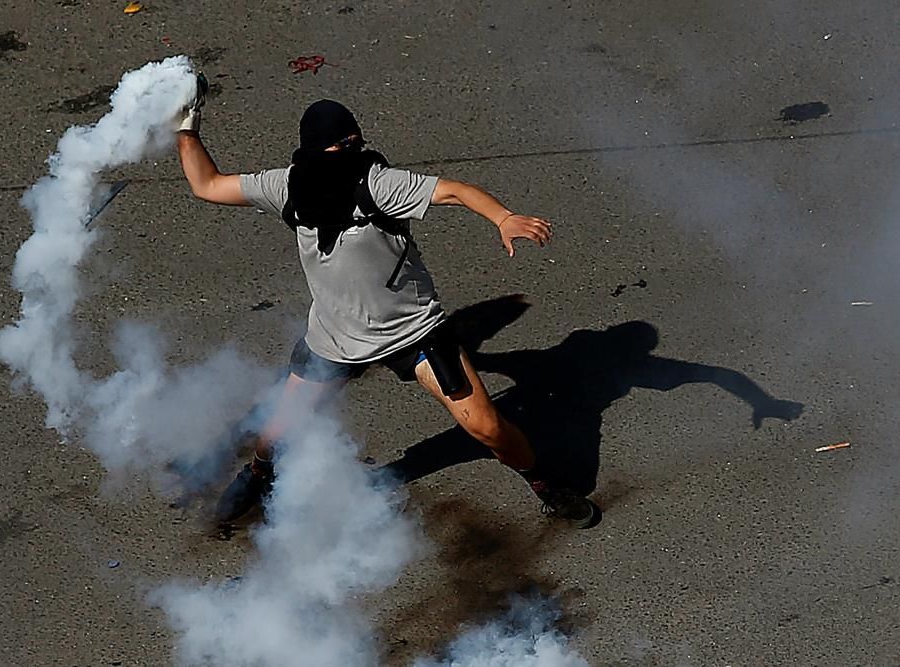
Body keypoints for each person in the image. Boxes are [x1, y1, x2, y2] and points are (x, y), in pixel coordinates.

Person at [174, 78, 597, 529]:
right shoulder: (287, 187)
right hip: (334, 340)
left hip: (413, 334)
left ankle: (545, 486)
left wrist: (504, 217)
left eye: (353, 141)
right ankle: (259, 475)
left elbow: (454, 190)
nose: (350, 149)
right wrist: (186, 126)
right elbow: (208, 184)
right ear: (316, 151)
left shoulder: (378, 183)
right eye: (341, 145)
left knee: (487, 428)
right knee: (274, 437)